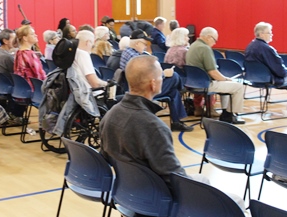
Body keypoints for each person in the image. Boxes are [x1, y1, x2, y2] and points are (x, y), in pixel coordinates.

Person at [99, 56, 245, 213]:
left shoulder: (110, 114)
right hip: (156, 199)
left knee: (203, 179)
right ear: (153, 83)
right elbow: (174, 180)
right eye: (161, 76)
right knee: (235, 201)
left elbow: (105, 157)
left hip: (128, 190)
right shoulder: (153, 127)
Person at [120, 30, 192, 132]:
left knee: (173, 92)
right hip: (141, 91)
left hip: (138, 87)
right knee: (175, 76)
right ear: (137, 43)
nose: (146, 47)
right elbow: (146, 75)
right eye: (144, 44)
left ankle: (176, 122)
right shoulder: (135, 58)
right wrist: (163, 74)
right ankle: (181, 90)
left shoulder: (129, 52)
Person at [186, 27, 245, 124]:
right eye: (215, 40)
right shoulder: (205, 48)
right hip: (204, 84)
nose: (215, 43)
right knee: (238, 87)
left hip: (193, 83)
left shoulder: (193, 45)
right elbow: (212, 72)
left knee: (227, 85)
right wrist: (226, 79)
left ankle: (226, 112)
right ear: (208, 37)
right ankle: (230, 115)